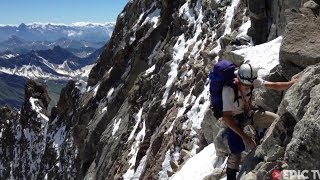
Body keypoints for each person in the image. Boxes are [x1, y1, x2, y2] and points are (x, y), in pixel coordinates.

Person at [221, 63, 299, 180]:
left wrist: (290, 84)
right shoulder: (228, 90)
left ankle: (265, 143)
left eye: (250, 85)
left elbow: (273, 85)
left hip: (248, 114)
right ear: (239, 79)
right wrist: (245, 138)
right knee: (235, 152)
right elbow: (227, 117)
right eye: (245, 85)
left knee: (275, 120)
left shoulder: (251, 80)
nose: (248, 87)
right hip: (234, 121)